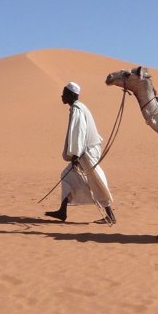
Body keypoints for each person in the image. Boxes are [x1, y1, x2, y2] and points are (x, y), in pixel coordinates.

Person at [44, 82, 117, 225]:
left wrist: (75, 155)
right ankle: (62, 211)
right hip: (84, 151)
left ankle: (110, 216)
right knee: (67, 175)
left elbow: (79, 132)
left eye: (64, 93)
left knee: (96, 181)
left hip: (86, 152)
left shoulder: (77, 109)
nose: (62, 96)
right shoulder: (79, 108)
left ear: (71, 95)